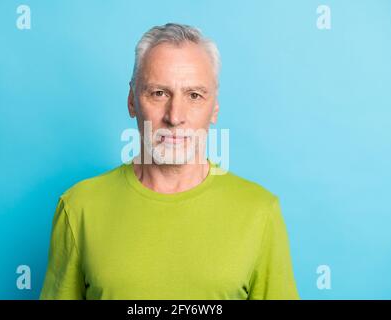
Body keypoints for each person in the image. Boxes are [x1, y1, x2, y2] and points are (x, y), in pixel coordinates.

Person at [40, 22, 300, 300]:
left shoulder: (260, 212)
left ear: (215, 108)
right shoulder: (78, 207)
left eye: (194, 95)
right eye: (159, 93)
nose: (175, 116)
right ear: (131, 101)